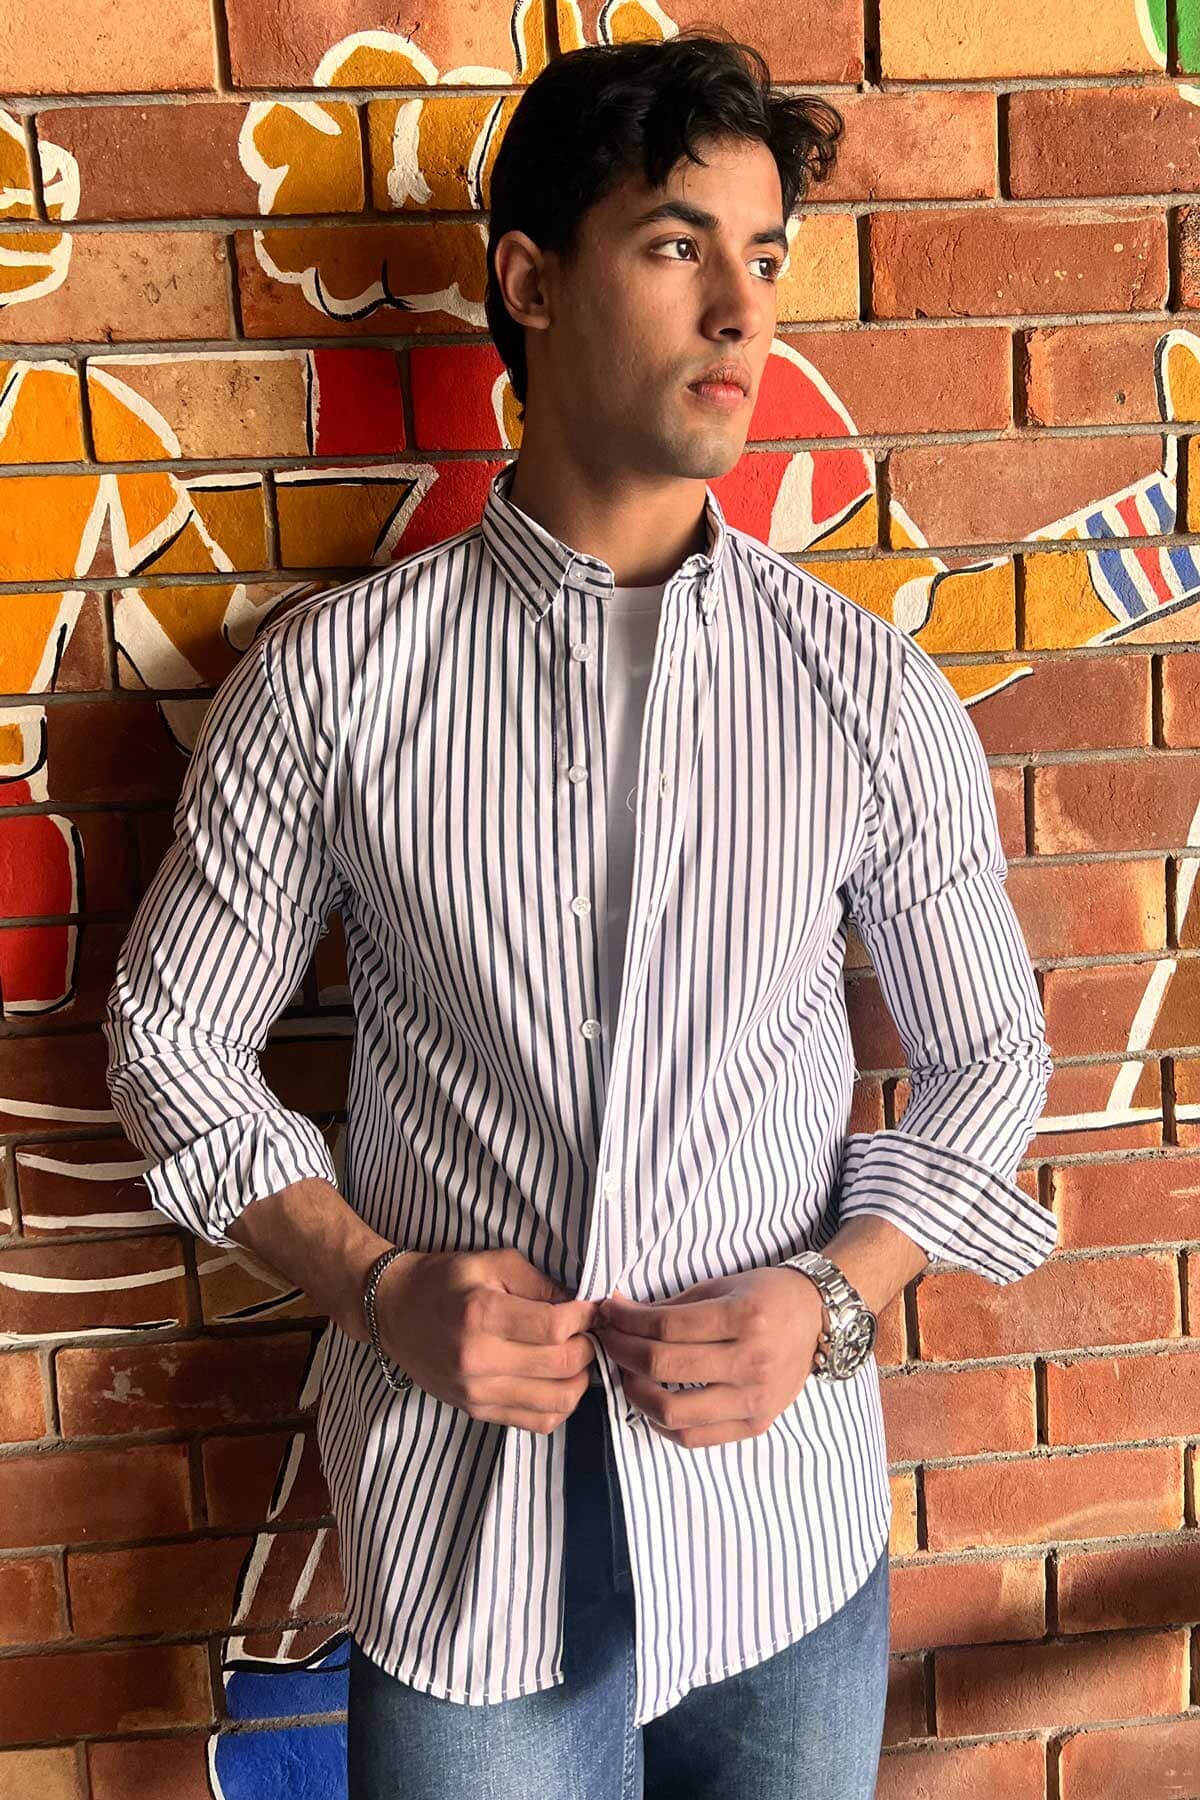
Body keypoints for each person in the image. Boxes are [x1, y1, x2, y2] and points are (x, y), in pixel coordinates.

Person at [102, 28, 1058, 1799]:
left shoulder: (862, 690)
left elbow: (993, 1056)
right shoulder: (336, 684)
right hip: (467, 1537)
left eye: (764, 256)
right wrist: (379, 1289)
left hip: (778, 1532)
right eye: (679, 246)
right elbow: (172, 1041)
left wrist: (836, 1304)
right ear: (533, 284)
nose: (742, 314)